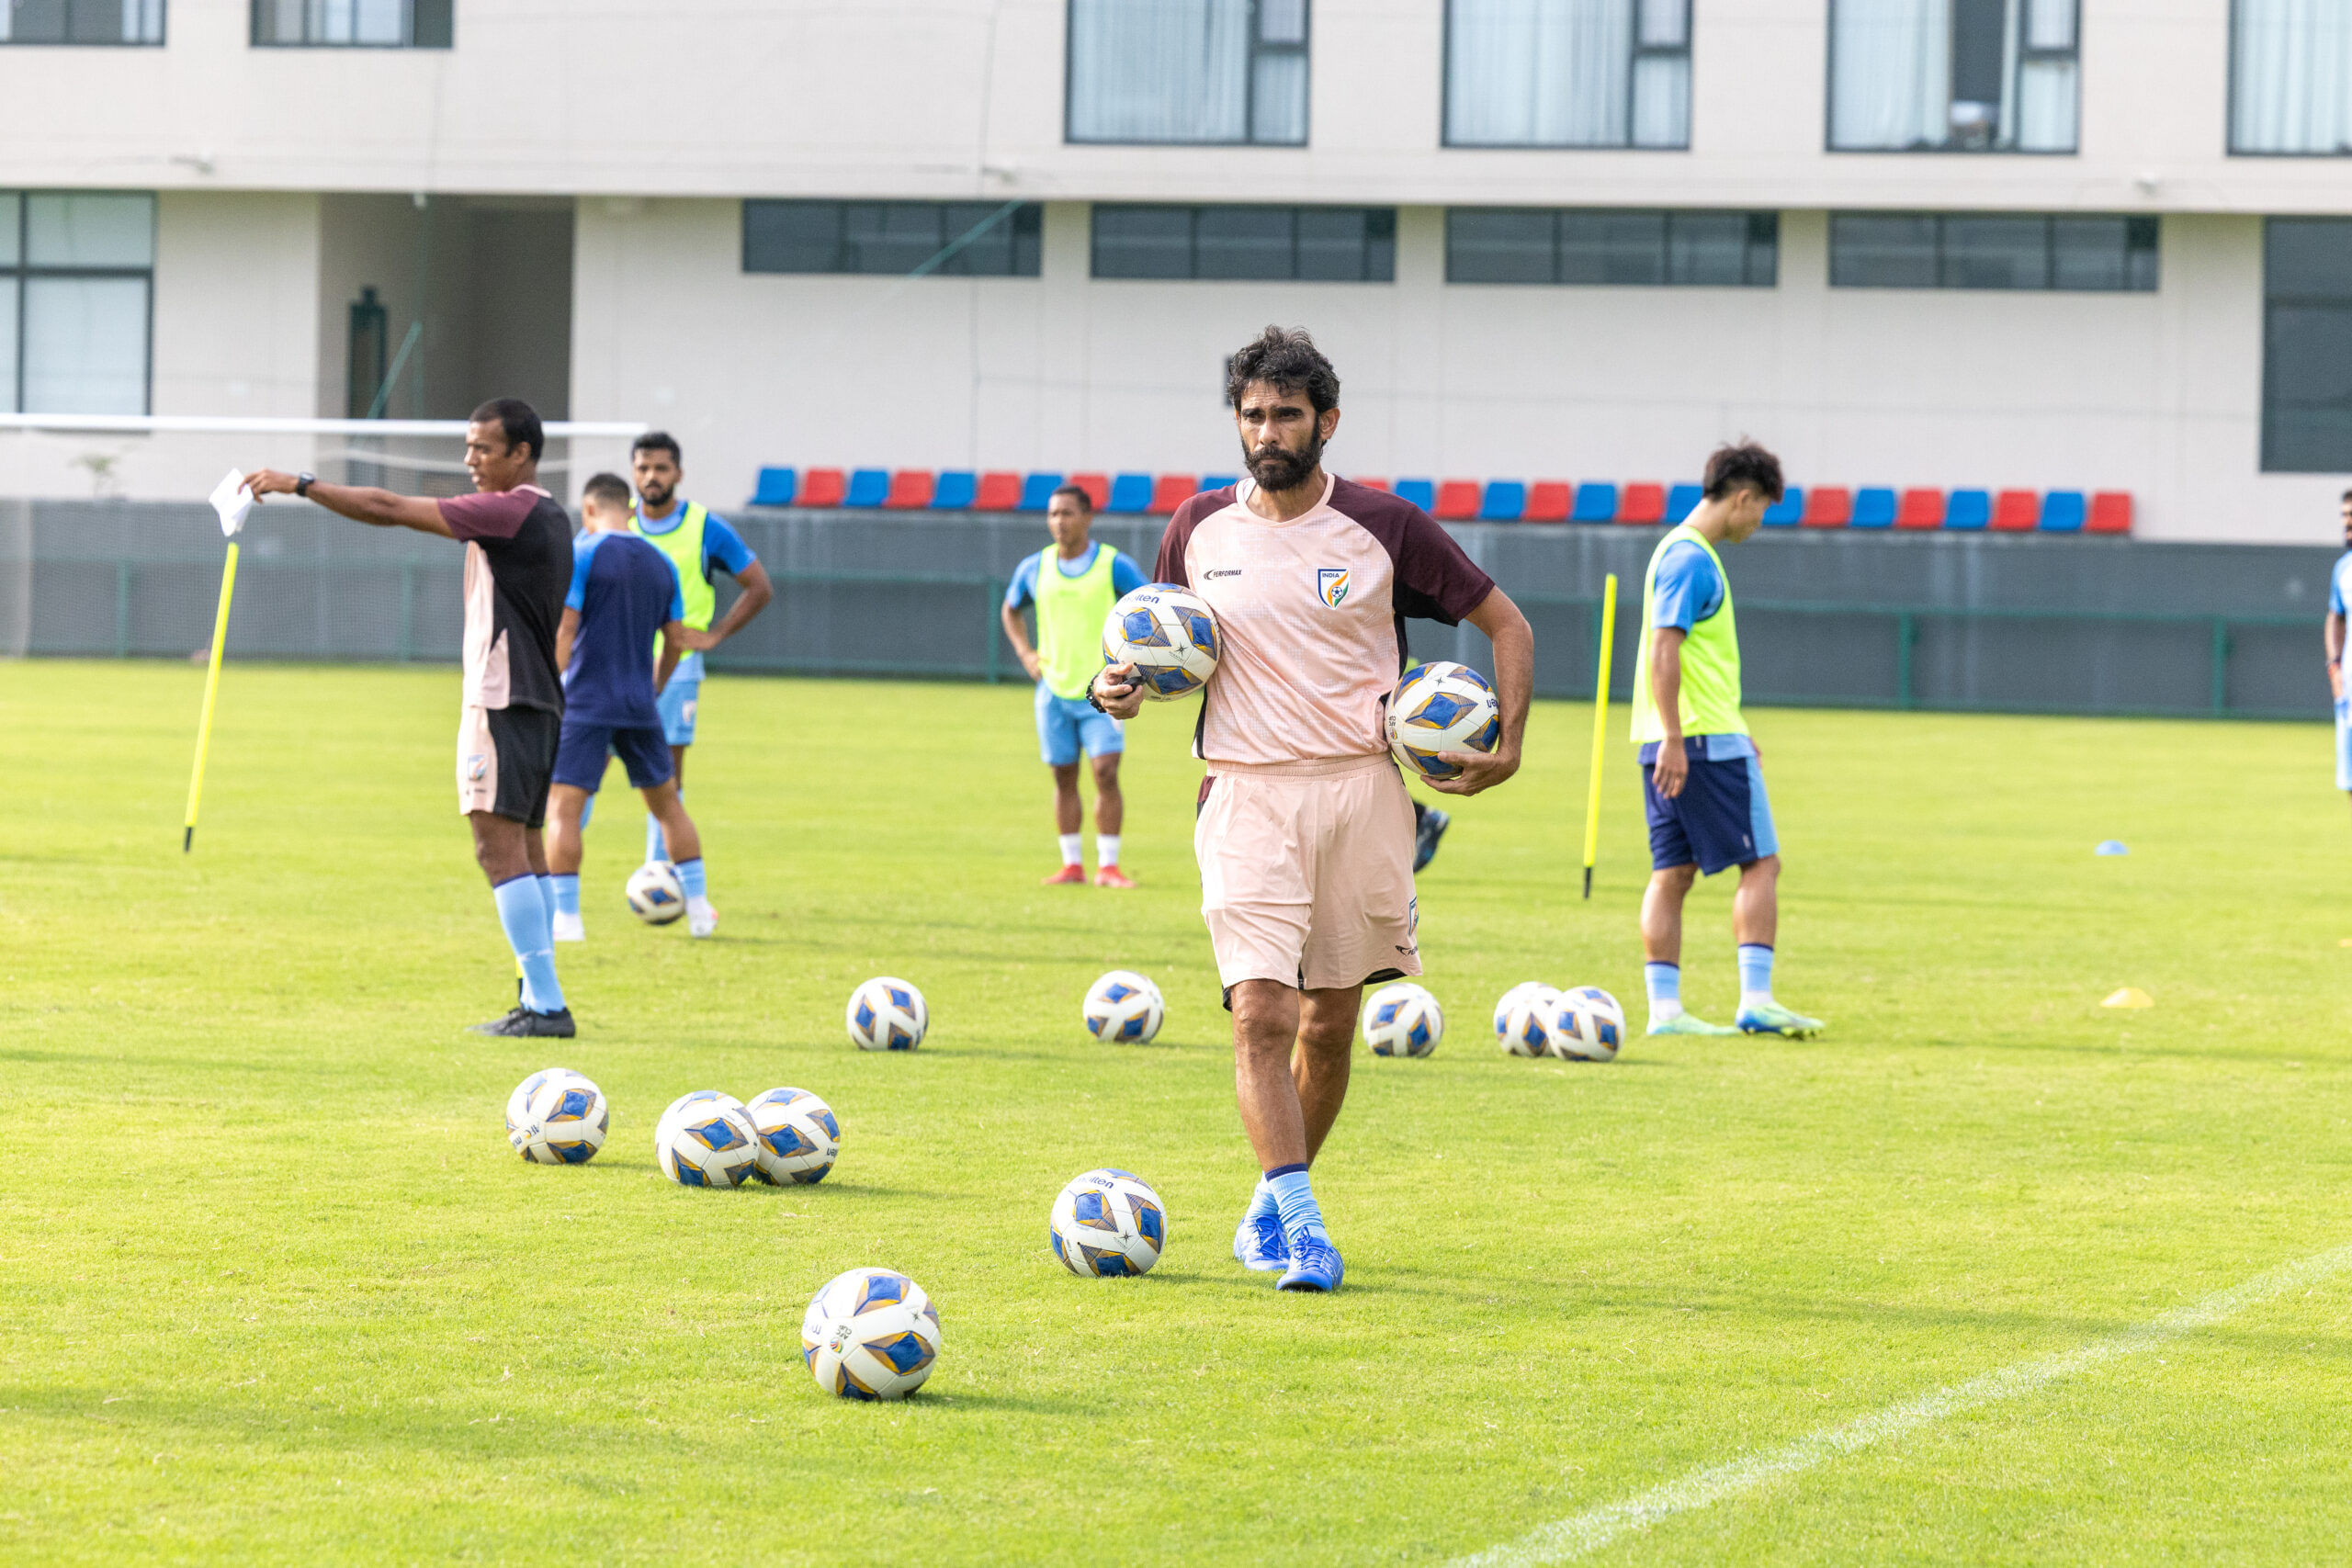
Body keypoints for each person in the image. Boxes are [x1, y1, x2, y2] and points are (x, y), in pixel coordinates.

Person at [1091, 325, 1534, 1292]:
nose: (1266, 431)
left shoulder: (1386, 526)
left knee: (1329, 1024)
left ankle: (1268, 1205)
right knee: (1261, 1012)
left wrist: (1509, 748)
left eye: (1285, 414)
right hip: (1245, 792)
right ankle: (1304, 1226)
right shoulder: (1196, 528)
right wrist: (1111, 687)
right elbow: (1147, 644)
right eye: (1251, 415)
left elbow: (1507, 622)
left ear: (1326, 421)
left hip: (1364, 793)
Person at [244, 400, 575, 1037]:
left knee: (495, 846)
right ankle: (538, 994)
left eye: (484, 448)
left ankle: (546, 1004)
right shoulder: (551, 516)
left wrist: (301, 484)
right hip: (537, 701)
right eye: (468, 445)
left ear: (522, 455)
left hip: (503, 697)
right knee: (527, 848)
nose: (469, 460)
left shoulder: (512, 510)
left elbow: (389, 509)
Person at [1629, 440, 1824, 1041]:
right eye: (1761, 508)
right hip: (1697, 741)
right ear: (1742, 497)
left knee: (1672, 871)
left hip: (1670, 737)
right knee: (1761, 863)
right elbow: (1666, 648)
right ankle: (1757, 1000)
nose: (1759, 521)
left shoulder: (1673, 550)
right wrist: (1680, 738)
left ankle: (1666, 1011)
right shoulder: (1691, 559)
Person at [546, 473, 716, 941]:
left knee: (563, 806)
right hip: (639, 702)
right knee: (668, 806)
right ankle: (699, 911)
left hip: (586, 701)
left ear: (590, 510)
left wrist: (549, 686)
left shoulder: (583, 554)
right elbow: (677, 640)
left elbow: (565, 629)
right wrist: (655, 685)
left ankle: (567, 920)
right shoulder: (661, 564)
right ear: (631, 508)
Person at [622, 433, 773, 871]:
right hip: (615, 664)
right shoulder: (616, 523)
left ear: (679, 474)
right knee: (579, 775)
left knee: (665, 773)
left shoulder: (704, 527)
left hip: (678, 667)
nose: (652, 477)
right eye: (643, 468)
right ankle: (559, 888)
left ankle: (658, 872)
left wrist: (717, 633)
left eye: (661, 468)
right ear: (633, 472)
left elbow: (759, 587)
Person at [1000, 484, 1148, 886]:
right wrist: (1026, 654)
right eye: (1052, 514)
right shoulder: (1036, 567)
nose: (1058, 522)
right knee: (1063, 777)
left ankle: (1109, 866)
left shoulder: (1112, 564)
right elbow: (1010, 609)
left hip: (1103, 691)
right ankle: (1071, 865)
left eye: (1067, 513)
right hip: (1053, 691)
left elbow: (1149, 607)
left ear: (1087, 517)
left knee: (1105, 772)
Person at [2324, 490, 2352, 807]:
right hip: (2348, 697)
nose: (2347, 522)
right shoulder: (2343, 569)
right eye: (2344, 515)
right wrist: (2334, 667)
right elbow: (2335, 617)